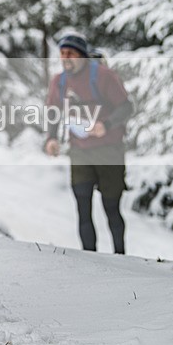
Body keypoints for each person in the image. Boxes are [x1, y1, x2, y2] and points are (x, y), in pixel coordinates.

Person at [44, 32, 133, 254]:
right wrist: (52, 138)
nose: (65, 58)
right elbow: (53, 111)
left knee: (111, 207)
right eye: (62, 54)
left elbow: (126, 107)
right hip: (80, 151)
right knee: (83, 207)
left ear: (82, 56)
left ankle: (121, 256)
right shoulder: (60, 82)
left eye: (71, 54)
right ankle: (89, 259)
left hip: (109, 151)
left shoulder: (104, 76)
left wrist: (107, 124)